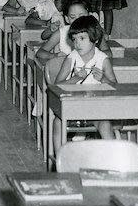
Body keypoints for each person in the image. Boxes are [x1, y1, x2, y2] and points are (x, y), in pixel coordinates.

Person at [48, 15, 117, 156]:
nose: (77, 44)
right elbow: (57, 85)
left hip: (95, 109)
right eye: (74, 39)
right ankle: (61, 161)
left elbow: (115, 86)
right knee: (58, 122)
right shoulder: (71, 58)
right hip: (71, 107)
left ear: (95, 40)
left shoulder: (103, 60)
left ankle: (113, 159)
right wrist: (74, 79)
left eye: (82, 39)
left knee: (105, 125)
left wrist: (103, 78)